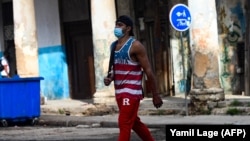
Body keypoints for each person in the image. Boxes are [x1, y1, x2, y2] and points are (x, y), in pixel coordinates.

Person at [103, 15, 163, 141]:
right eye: (116, 25)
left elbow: (148, 71)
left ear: (128, 28)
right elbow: (117, 68)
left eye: (120, 25)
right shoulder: (113, 46)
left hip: (131, 92)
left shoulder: (135, 46)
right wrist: (110, 78)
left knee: (124, 122)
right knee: (134, 121)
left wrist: (155, 95)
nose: (117, 28)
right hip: (119, 92)